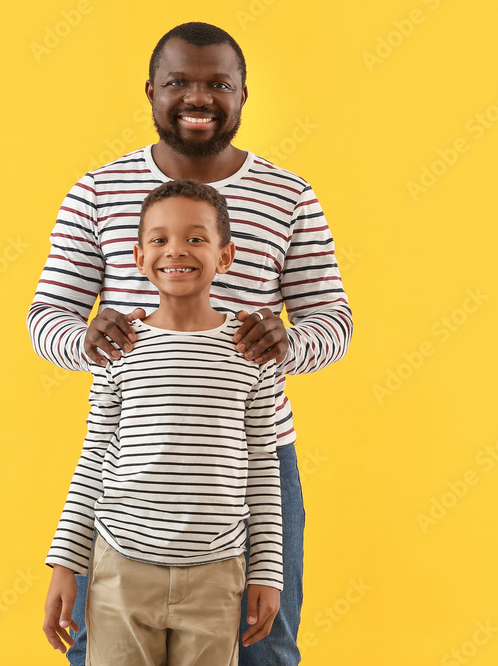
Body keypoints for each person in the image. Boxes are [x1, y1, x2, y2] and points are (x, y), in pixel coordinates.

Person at [28, 21, 352, 666]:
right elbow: (48, 317)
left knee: (264, 642)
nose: (197, 97)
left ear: (242, 94)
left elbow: (333, 323)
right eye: (178, 82)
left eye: (217, 84)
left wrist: (288, 346)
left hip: (250, 458)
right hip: (132, 461)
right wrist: (84, 340)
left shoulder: (290, 195)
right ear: (151, 90)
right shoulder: (95, 192)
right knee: (101, 640)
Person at [43, 179, 283, 664]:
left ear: (225, 255)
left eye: (196, 238)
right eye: (159, 239)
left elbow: (262, 463)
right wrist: (65, 562)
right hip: (121, 568)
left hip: (218, 573)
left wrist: (267, 572)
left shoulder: (252, 351)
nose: (177, 250)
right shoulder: (117, 348)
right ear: (137, 256)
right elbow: (94, 455)